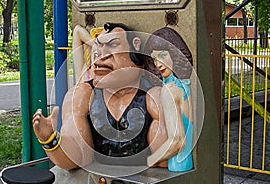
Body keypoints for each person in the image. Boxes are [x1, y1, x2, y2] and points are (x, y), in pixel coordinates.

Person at [32, 23, 167, 170]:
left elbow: (164, 163)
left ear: (135, 46)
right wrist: (50, 139)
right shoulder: (81, 96)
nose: (100, 53)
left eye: (113, 44)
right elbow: (77, 159)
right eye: (98, 47)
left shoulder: (154, 97)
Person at [144, 26, 194, 172]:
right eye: (154, 58)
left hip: (177, 165)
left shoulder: (170, 90)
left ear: (175, 54)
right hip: (185, 163)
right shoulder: (184, 85)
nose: (158, 64)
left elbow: (178, 140)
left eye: (163, 55)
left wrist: (149, 160)